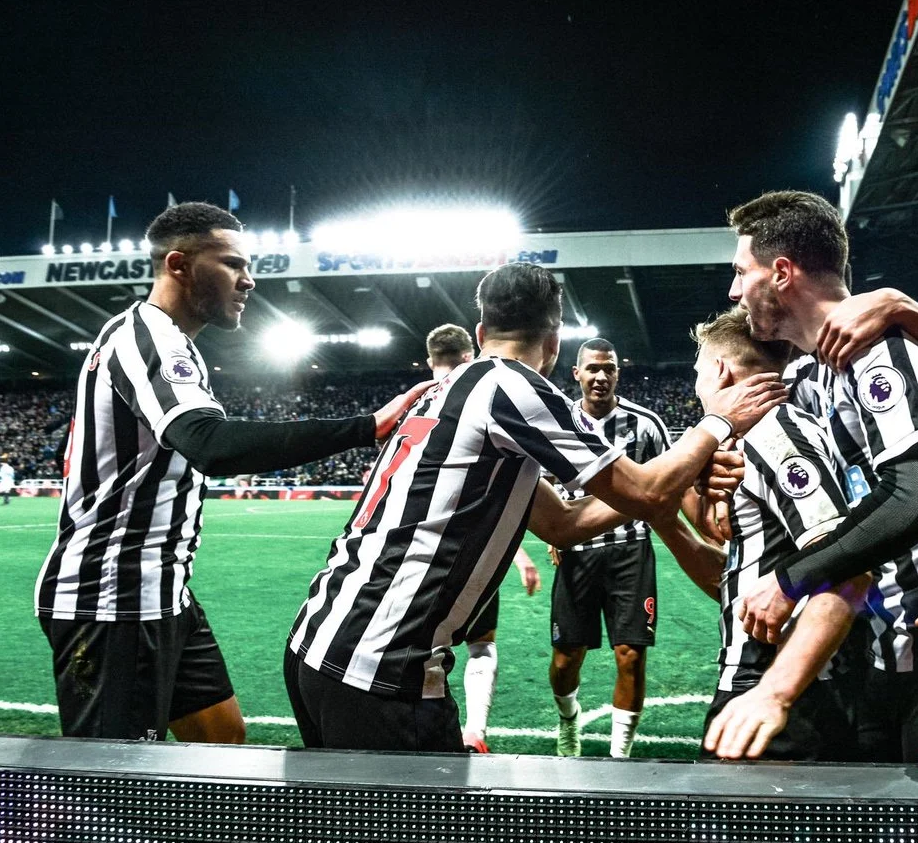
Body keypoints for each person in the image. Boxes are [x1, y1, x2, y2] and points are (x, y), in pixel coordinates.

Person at [285, 262, 785, 753]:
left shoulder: (453, 390)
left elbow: (562, 524)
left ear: (481, 332)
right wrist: (716, 424)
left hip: (320, 640)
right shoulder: (512, 387)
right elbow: (646, 492)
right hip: (382, 663)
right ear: (554, 341)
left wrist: (678, 477)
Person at [35, 201, 426, 744]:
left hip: (163, 588)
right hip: (110, 598)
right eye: (233, 264)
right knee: (112, 776)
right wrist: (366, 426)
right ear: (178, 264)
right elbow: (211, 445)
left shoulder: (165, 342)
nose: (249, 280)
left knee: (222, 741)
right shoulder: (146, 337)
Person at [729, 190, 918, 764]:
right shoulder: (811, 376)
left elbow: (915, 498)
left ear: (781, 273)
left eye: (740, 272)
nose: (733, 290)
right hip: (888, 641)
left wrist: (788, 580)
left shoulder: (881, 348)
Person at [655, 308, 873, 760]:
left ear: (720, 371)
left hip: (777, 687)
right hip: (769, 682)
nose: (697, 386)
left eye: (698, 373)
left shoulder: (777, 434)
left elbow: (846, 569)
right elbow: (748, 577)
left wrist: (775, 692)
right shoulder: (752, 440)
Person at [549, 338, 671, 758]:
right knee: (566, 658)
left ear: (619, 373)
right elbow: (541, 481)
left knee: (630, 655)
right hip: (577, 553)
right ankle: (568, 720)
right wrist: (555, 532)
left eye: (609, 369)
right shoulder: (558, 421)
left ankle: (621, 757)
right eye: (593, 368)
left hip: (631, 550)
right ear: (577, 374)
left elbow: (670, 481)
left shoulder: (646, 424)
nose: (601, 376)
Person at [425, 322, 543, 753]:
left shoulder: (416, 404)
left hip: (407, 559)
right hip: (471, 555)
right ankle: (474, 731)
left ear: (429, 360)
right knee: (480, 645)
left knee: (415, 648)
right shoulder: (483, 395)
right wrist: (519, 555)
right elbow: (498, 494)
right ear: (468, 354)